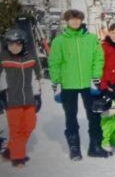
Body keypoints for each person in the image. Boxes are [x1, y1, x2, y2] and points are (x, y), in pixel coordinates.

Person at [48, 9, 105, 160]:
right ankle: (75, 148)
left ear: (81, 20)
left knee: (94, 115)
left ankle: (95, 146)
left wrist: (96, 76)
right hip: (68, 84)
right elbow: (54, 63)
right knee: (71, 116)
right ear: (67, 21)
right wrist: (57, 82)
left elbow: (98, 58)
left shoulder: (91, 39)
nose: (75, 22)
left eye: (77, 19)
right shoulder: (59, 41)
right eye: (72, 19)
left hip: (88, 83)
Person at [0, 27, 43, 166]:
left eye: (17, 44)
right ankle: (18, 158)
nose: (14, 47)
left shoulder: (31, 56)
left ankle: (9, 151)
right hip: (11, 100)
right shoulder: (3, 58)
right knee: (16, 130)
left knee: (29, 126)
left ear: (23, 43)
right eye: (11, 44)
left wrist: (37, 95)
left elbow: (38, 76)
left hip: (29, 99)